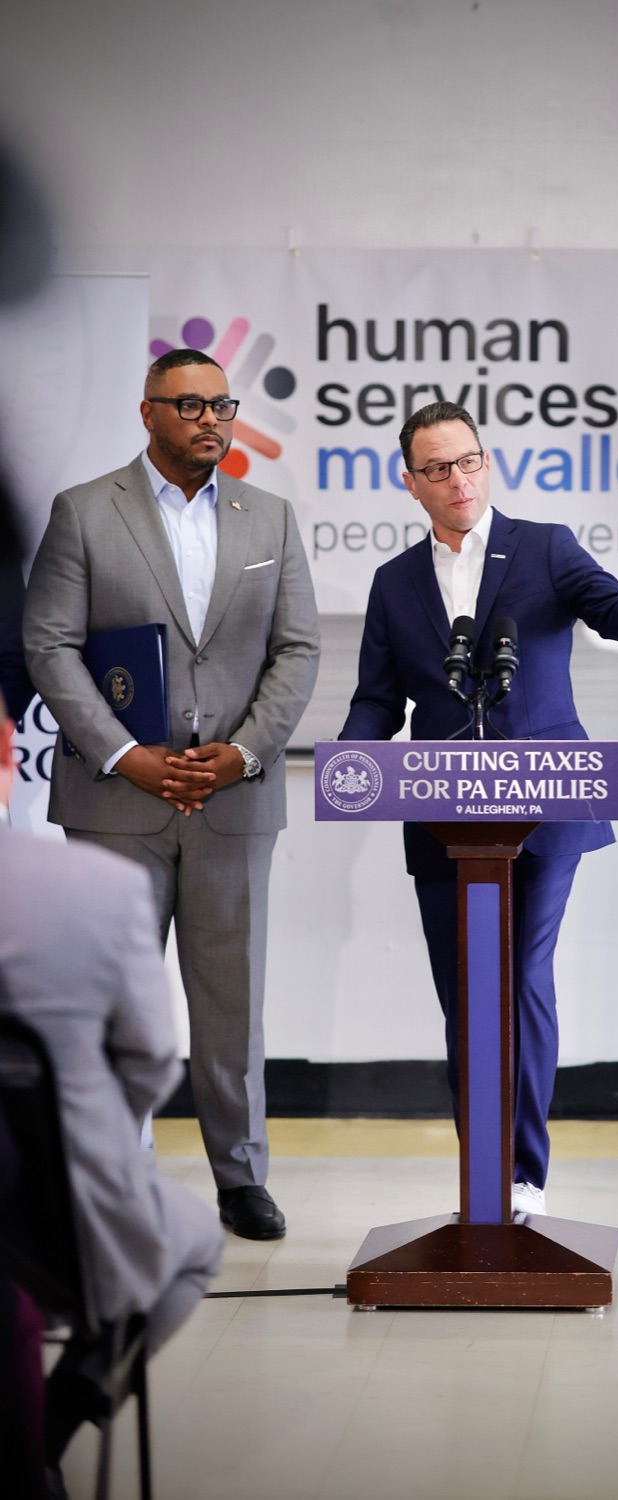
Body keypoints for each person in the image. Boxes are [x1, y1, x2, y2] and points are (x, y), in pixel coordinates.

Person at [340, 400, 618, 1213]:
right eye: (437, 468)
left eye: (468, 461)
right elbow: (377, 700)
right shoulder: (394, 582)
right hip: (440, 815)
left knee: (522, 975)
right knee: (465, 992)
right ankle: (483, 1173)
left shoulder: (544, 545)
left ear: (486, 463)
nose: (457, 480)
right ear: (410, 482)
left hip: (545, 805)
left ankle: (525, 1173)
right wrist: (350, 764)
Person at [22, 348, 321, 1241]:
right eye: (189, 405)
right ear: (148, 411)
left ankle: (241, 1178)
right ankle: (112, 1179)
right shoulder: (84, 511)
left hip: (234, 798)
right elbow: (48, 645)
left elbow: (297, 649)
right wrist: (125, 756)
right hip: (116, 801)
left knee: (233, 1000)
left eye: (221, 405)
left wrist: (244, 753)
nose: (210, 420)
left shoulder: (269, 516)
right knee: (115, 1001)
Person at [0, 691, 223, 1489]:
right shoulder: (96, 889)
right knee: (194, 1245)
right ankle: (46, 1443)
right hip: (51, 1221)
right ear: (8, 754)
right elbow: (151, 1061)